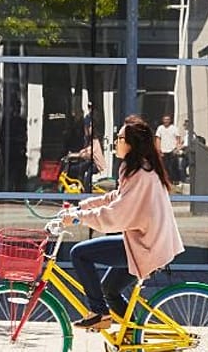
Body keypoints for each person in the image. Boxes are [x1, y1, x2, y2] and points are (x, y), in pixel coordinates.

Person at [60, 115, 185, 330]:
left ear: (131, 144)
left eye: (119, 138)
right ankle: (135, 338)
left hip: (145, 246)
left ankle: (98, 313)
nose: (115, 143)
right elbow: (117, 197)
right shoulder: (138, 169)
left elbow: (117, 214)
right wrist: (83, 206)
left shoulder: (140, 174)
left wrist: (80, 218)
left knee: (79, 253)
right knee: (110, 289)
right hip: (144, 242)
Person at [155, 114, 183, 184]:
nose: (166, 121)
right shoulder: (160, 128)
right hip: (163, 150)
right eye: (165, 119)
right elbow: (158, 139)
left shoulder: (174, 128)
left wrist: (177, 148)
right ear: (163, 120)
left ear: (170, 120)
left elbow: (178, 139)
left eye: (168, 119)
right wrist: (158, 149)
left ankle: (175, 180)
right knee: (164, 166)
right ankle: (166, 180)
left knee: (173, 166)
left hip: (172, 150)